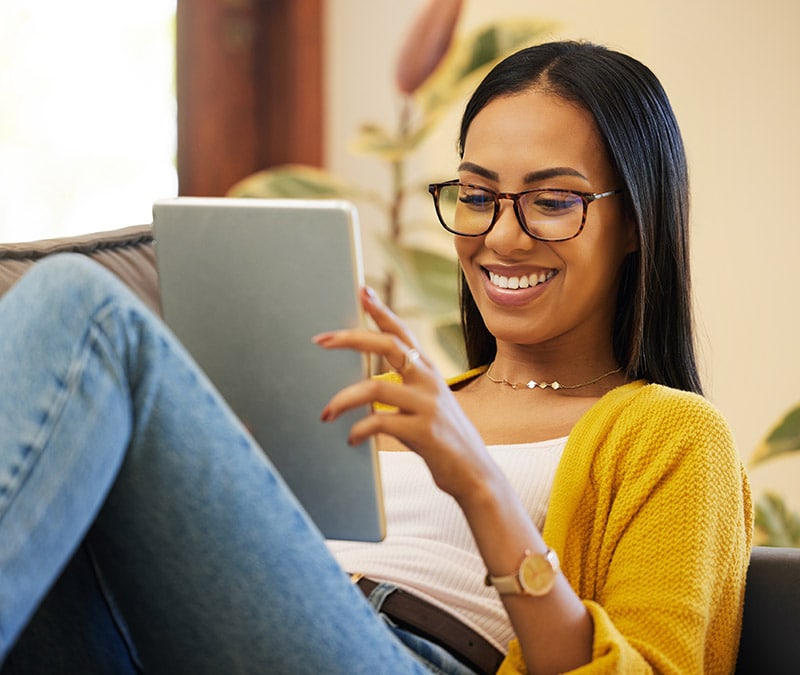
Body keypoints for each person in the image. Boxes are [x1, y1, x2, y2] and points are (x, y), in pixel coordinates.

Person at [0, 40, 751, 675]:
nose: (503, 236)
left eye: (553, 200)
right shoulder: (387, 393)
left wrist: (480, 485)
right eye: (477, 194)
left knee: (84, 306)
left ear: (634, 224)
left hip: (411, 653)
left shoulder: (675, 435)